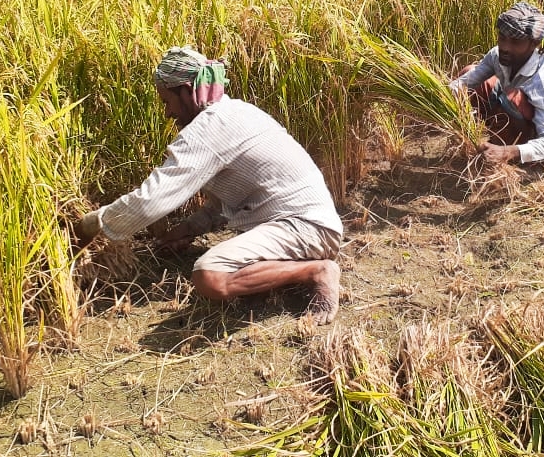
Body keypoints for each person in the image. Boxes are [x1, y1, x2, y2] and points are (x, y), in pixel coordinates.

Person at [74, 46, 344, 324]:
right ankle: (289, 271)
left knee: (210, 276)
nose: (167, 113)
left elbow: (151, 200)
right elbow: (230, 203)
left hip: (306, 229)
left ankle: (316, 271)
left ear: (186, 90)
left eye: (167, 101)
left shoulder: (210, 128)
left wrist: (92, 224)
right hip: (311, 226)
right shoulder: (236, 112)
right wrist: (189, 228)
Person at [450, 1, 544, 168]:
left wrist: (506, 152)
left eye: (515, 42)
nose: (505, 47)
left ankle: (506, 147)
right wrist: (436, 96)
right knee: (469, 71)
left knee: (513, 98)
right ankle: (496, 138)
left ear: (534, 43)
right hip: (514, 113)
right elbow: (465, 83)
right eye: (502, 38)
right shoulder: (497, 55)